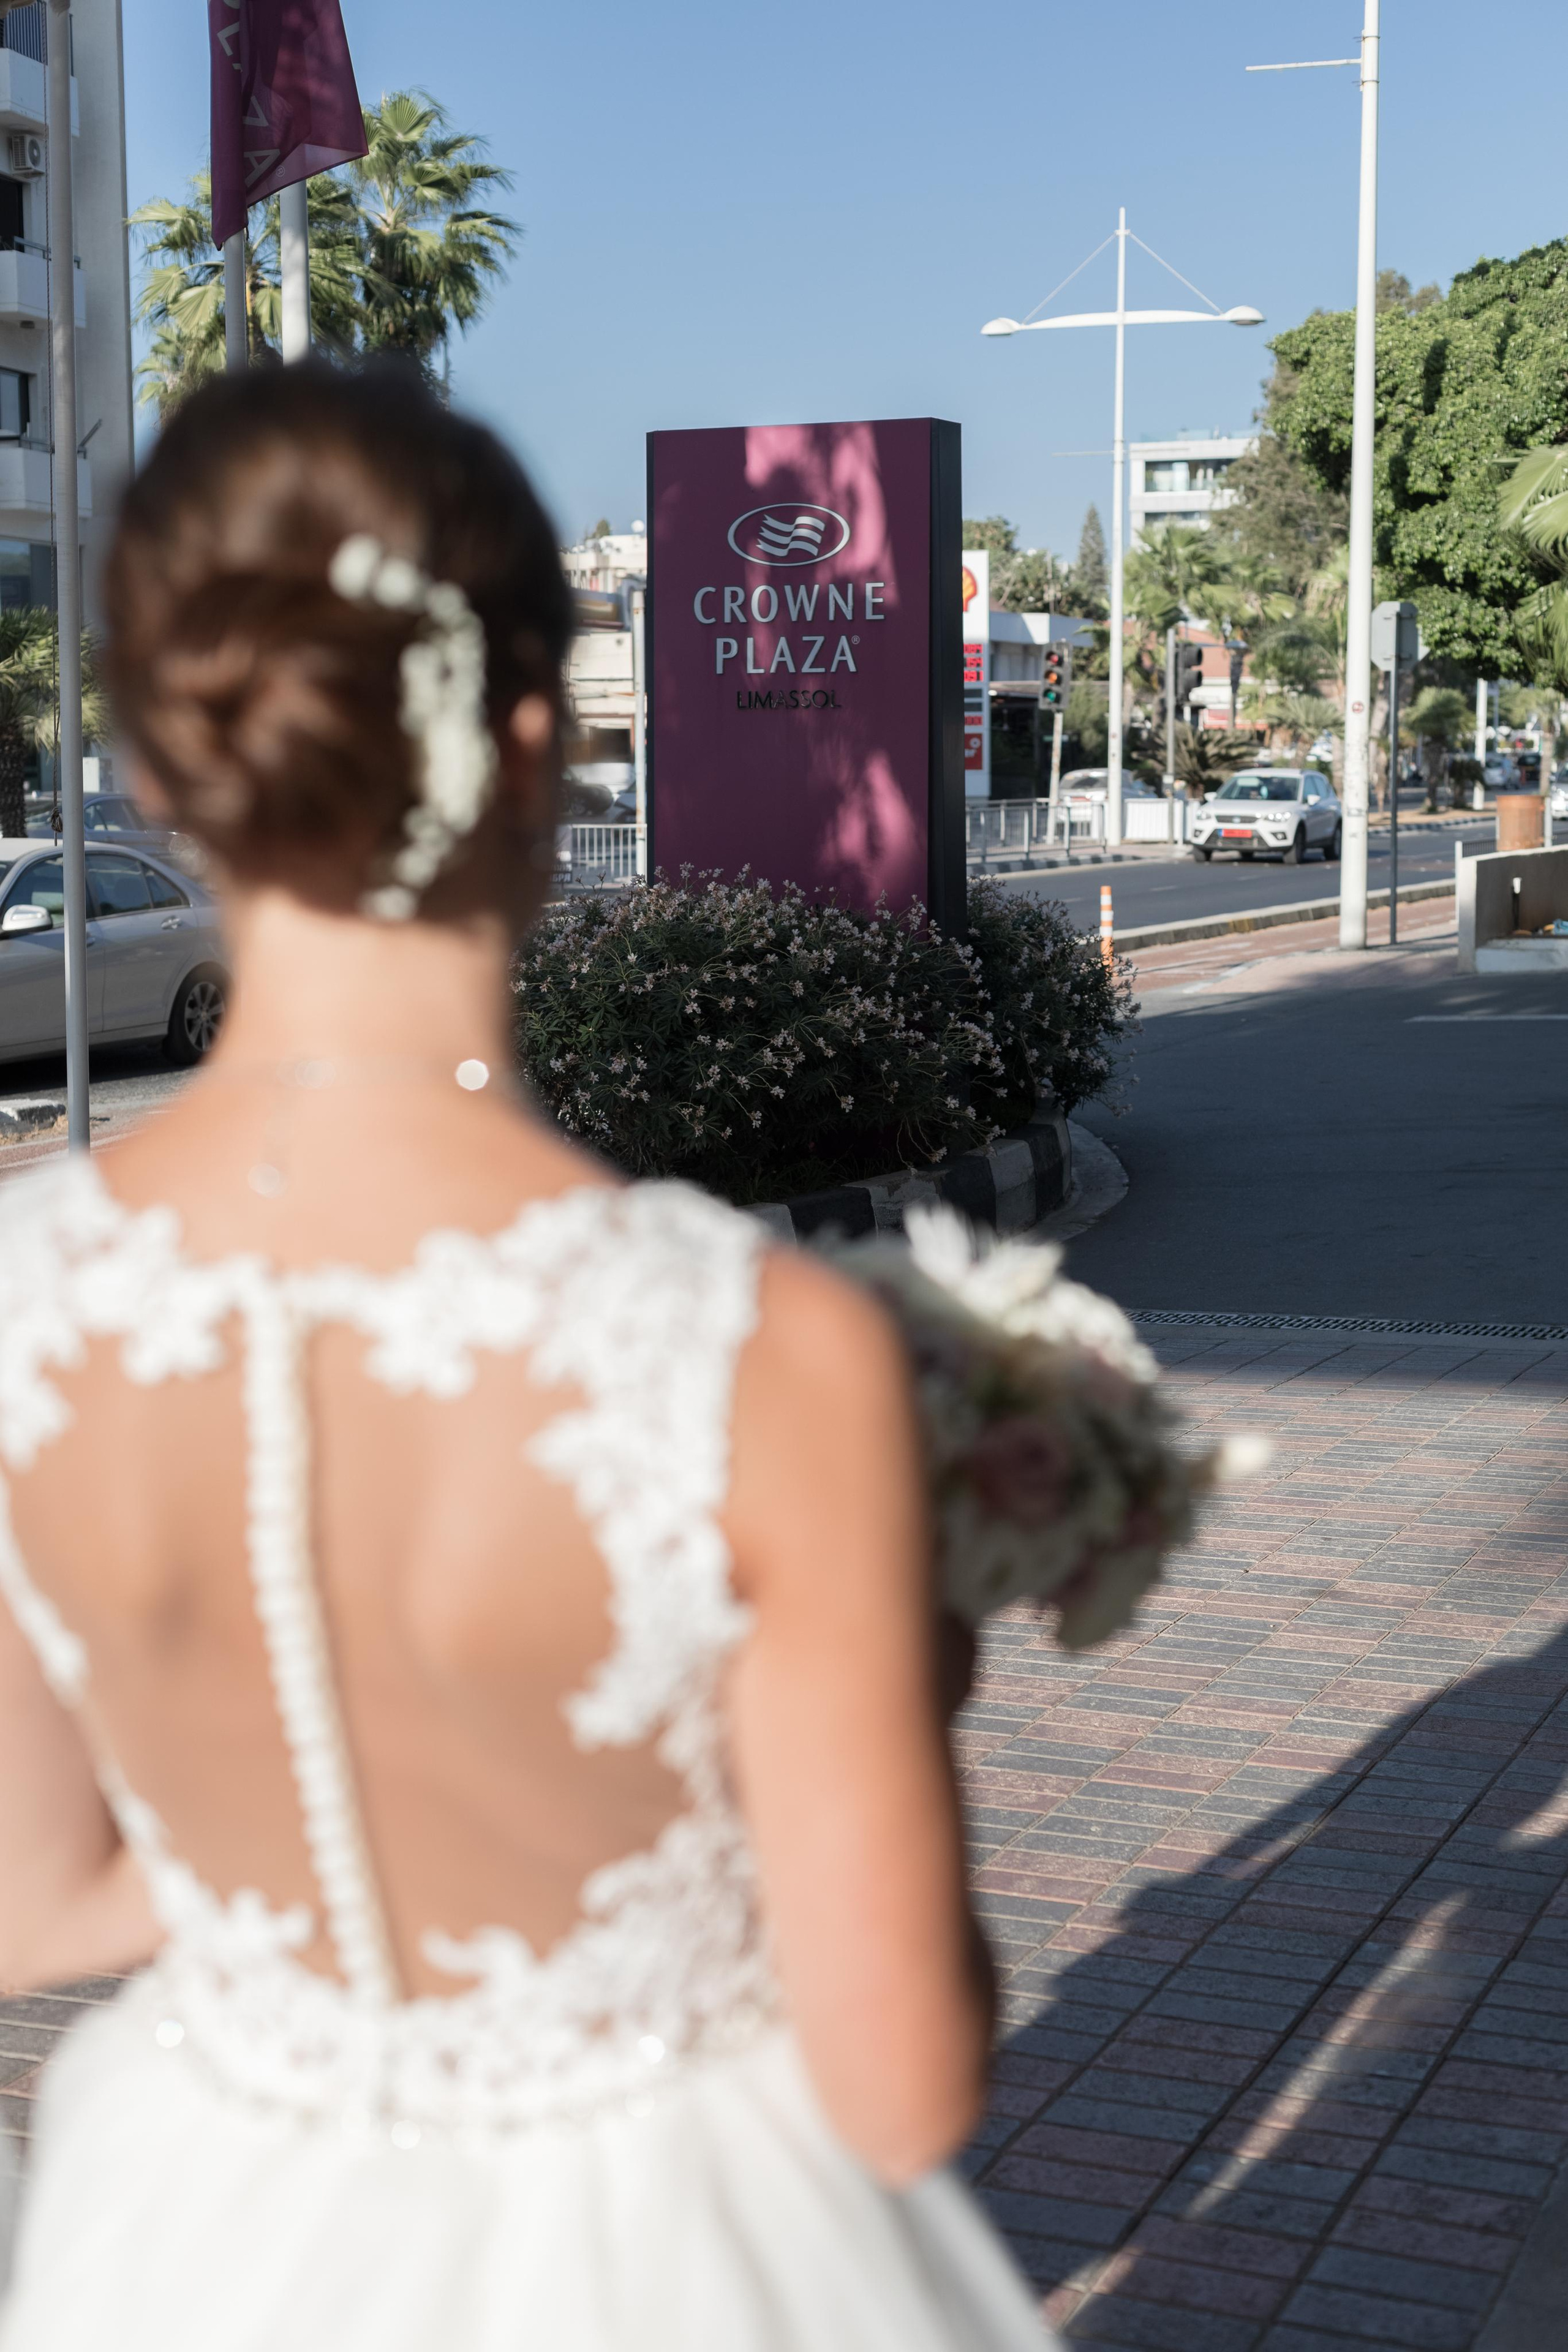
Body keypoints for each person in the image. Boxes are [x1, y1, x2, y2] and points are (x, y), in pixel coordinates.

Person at [0, 366, 1052, 2351]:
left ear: (155, 765)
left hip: (195, 2244)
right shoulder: (749, 1345)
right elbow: (904, 2078)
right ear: (540, 743)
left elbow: (30, 1899)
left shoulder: (20, 1301)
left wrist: (299, 1885)